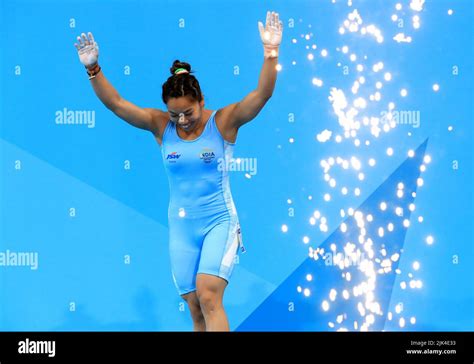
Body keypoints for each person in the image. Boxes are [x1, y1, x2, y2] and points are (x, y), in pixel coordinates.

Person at [74, 10, 283, 331]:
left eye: (187, 112)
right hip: (182, 228)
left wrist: (271, 54)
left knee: (209, 295)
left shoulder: (223, 122)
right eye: (175, 114)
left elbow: (262, 94)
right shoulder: (160, 126)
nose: (182, 120)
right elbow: (116, 103)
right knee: (196, 308)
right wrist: (93, 68)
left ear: (201, 100)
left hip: (218, 221)